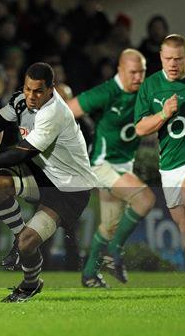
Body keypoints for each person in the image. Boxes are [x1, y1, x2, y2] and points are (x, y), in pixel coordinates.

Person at [0, 62, 98, 302]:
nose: (31, 96)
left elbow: (21, 154)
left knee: (27, 244)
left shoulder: (54, 113)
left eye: (38, 91)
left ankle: (30, 284)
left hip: (69, 189)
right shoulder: (20, 100)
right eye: (28, 89)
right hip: (43, 175)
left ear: (51, 89)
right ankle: (19, 237)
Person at [67, 49, 156, 287]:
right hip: (102, 165)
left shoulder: (145, 93)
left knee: (109, 225)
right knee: (145, 200)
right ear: (120, 70)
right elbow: (68, 110)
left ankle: (89, 275)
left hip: (122, 165)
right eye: (133, 72)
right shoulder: (107, 92)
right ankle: (114, 253)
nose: (139, 77)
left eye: (142, 72)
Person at [135, 34, 185, 267]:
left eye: (178, 59)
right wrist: (163, 114)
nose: (173, 64)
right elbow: (141, 128)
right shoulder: (151, 86)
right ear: (161, 57)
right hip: (170, 166)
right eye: (168, 58)